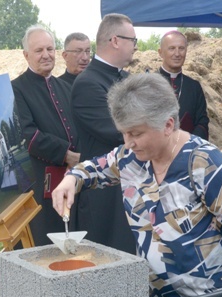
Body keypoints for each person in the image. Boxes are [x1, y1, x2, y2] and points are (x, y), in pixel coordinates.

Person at [52, 73, 222, 297]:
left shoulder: (208, 165)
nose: (128, 142)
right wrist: (71, 179)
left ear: (168, 125)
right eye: (123, 132)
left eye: (136, 133)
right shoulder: (130, 158)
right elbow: (93, 169)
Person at [71, 13, 137, 254]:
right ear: (116, 40)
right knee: (106, 263)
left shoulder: (126, 78)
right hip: (104, 195)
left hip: (130, 185)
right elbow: (119, 132)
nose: (135, 47)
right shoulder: (88, 83)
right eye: (133, 40)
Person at [11, 25, 80, 246]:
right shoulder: (16, 89)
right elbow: (27, 134)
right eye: (39, 50)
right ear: (26, 55)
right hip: (39, 179)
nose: (46, 55)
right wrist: (67, 154)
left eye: (50, 49)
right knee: (44, 239)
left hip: (72, 175)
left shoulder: (65, 87)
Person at [157, 31, 209, 139]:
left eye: (181, 48)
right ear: (160, 52)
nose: (177, 54)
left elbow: (202, 122)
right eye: (171, 48)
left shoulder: (194, 86)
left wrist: (188, 143)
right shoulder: (147, 84)